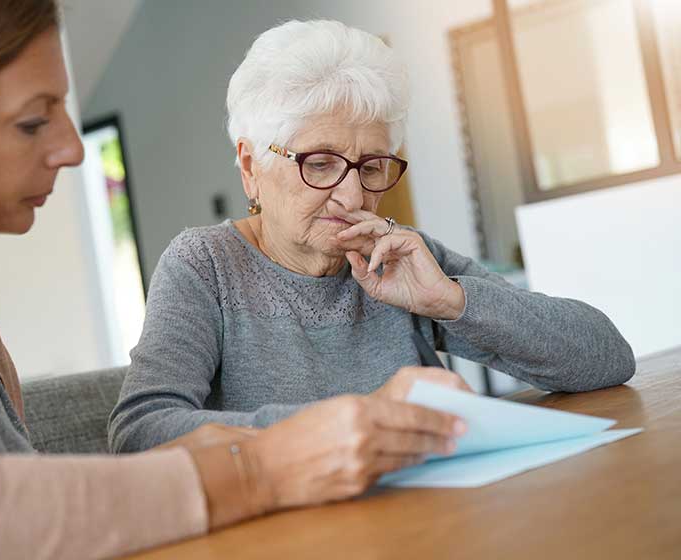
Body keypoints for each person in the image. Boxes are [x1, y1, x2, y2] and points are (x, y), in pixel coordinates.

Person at [0, 4, 468, 559]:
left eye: (370, 165)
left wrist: (458, 301)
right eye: (34, 120)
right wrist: (264, 467)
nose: (73, 148)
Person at [108, 19, 636, 454]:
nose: (353, 198)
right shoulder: (206, 265)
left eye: (372, 166)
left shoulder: (397, 253)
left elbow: (608, 358)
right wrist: (366, 418)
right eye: (319, 164)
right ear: (251, 166)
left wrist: (452, 301)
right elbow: (141, 434)